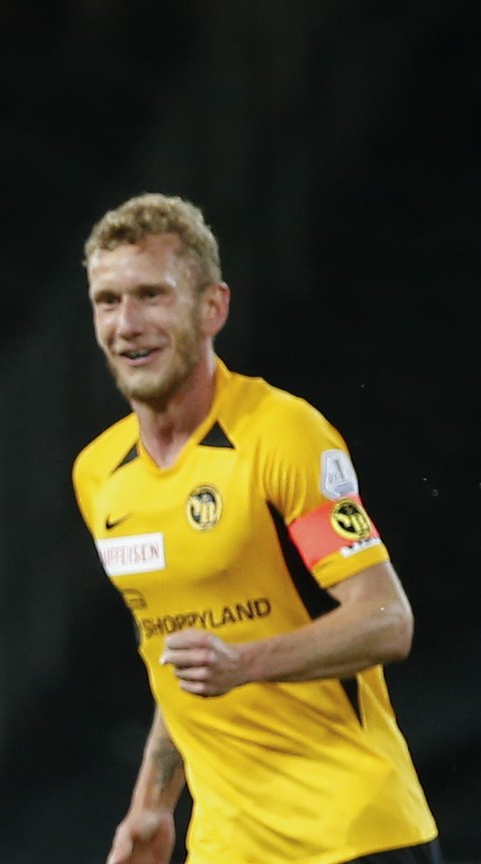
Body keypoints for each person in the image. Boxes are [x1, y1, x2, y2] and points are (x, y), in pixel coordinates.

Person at [71, 192, 442, 864]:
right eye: (107, 300)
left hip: (355, 835)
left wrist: (246, 664)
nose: (127, 323)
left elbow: (387, 619)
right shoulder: (98, 474)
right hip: (226, 847)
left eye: (152, 295)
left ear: (212, 307)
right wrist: (152, 807)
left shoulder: (281, 433)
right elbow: (173, 660)